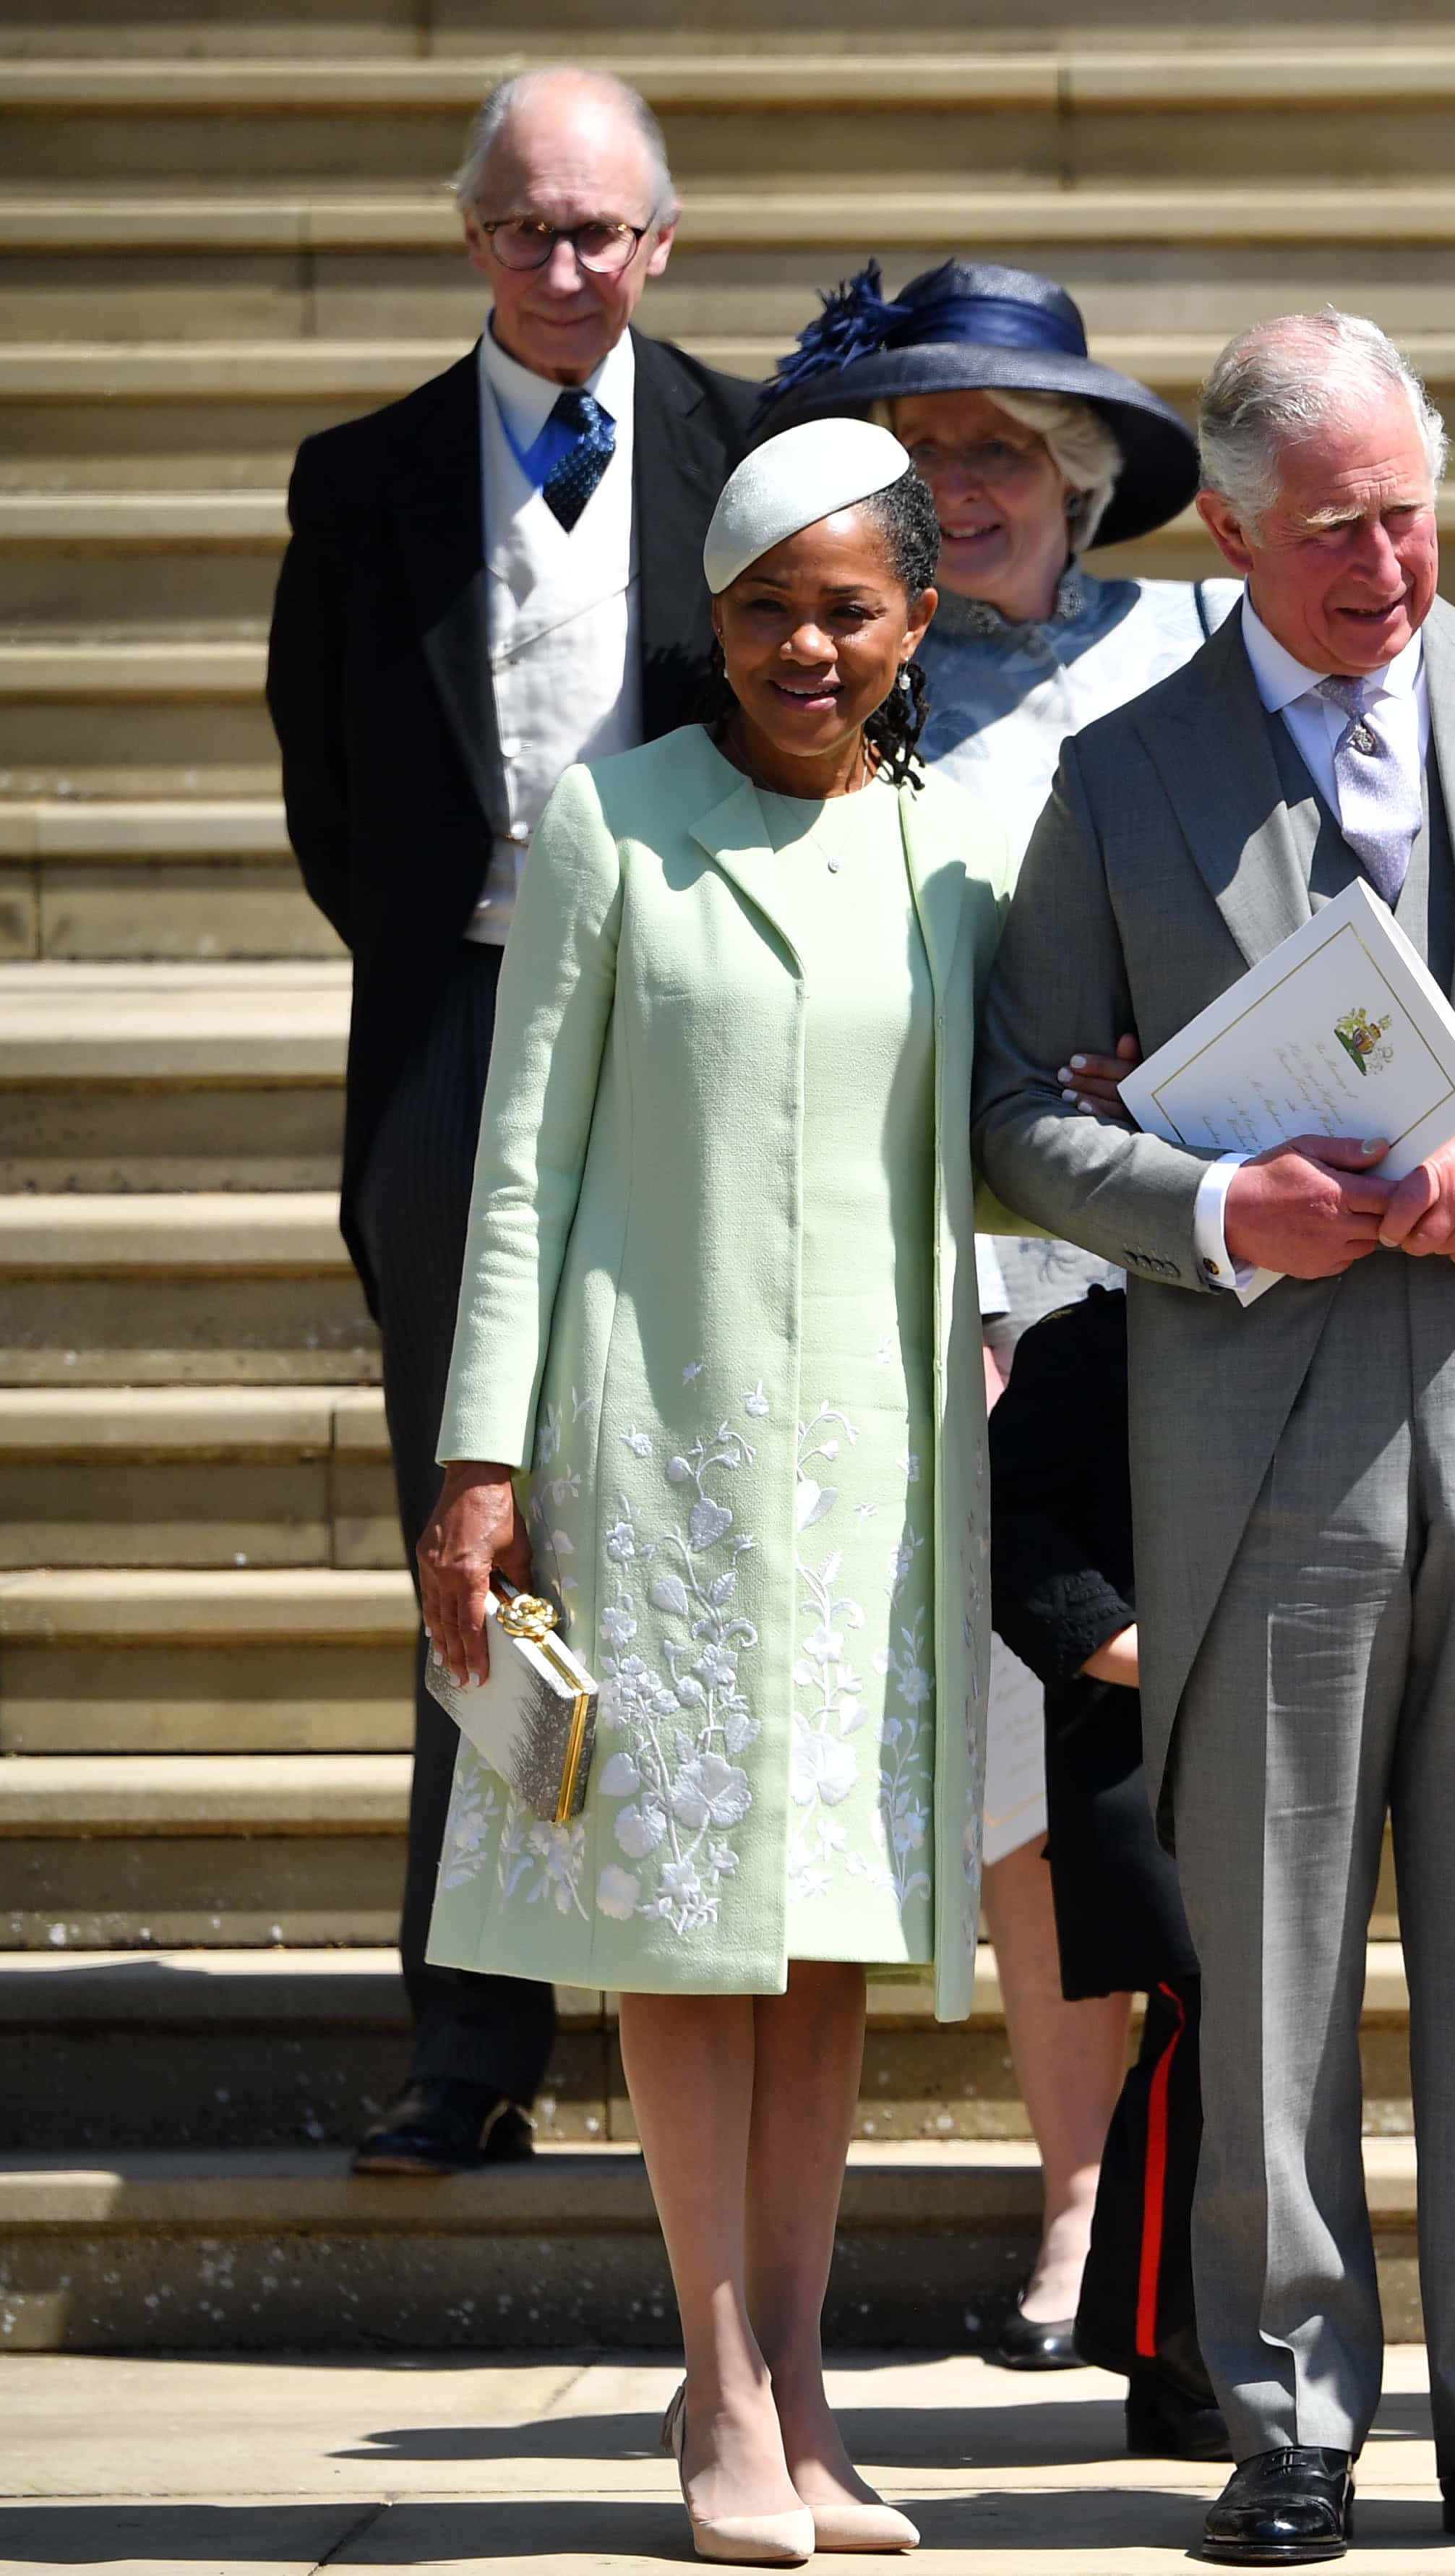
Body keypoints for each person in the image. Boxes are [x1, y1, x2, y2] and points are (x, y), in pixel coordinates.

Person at [974, 308, 1455, 2564]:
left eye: (1413, 511)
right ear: (1224, 531)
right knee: (1279, 1927)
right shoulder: (1124, 774)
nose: (1389, 563)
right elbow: (1017, 1110)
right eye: (1334, 530)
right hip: (1257, 1425)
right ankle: (1291, 2411)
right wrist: (1226, 1204)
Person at [411, 419, 1005, 2566]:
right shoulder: (609, 821)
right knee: (685, 1929)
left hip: (880, 1459)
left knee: (828, 1938)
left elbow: (999, 1147)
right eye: (765, 607)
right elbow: (516, 1173)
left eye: (849, 606)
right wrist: (478, 1459)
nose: (806, 645)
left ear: (919, 621)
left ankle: (807, 2375)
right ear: (714, 624)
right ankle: (717, 2381)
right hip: (649, 1446)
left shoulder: (960, 850)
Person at [262, 64, 759, 2181]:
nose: (564, 267)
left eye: (599, 231)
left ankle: (712, 1952)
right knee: (471, 1520)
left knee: (703, 1488)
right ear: (474, 241)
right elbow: (323, 776)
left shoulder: (751, 452)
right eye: (524, 229)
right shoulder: (360, 476)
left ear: (660, 244)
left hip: (709, 1033)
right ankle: (472, 2034)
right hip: (459, 1029)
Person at [757, 251, 1237, 2379]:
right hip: (950, 1283)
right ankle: (1075, 2200)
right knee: (1035, 1777)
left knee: (1191, 1762)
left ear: (1076, 476)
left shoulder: (1213, 647)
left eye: (1000, 453)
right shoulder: (853, 690)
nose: (964, 488)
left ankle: (1192, 2208)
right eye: (924, 453)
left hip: (1200, 1262)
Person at [990, 1283, 1226, 2462]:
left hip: (1312, 1717)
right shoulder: (1083, 1346)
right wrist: (1149, 1652)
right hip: (1135, 1727)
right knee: (1198, 2004)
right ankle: (1166, 2344)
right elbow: (1019, 1532)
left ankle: (1182, 2343)